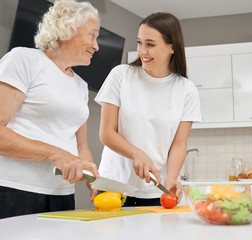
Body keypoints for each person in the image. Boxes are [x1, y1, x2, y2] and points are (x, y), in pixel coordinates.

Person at [0, 0, 100, 219]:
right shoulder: (24, 60)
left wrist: (92, 178)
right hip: (15, 190)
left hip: (62, 195)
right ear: (69, 29)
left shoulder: (81, 86)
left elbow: (81, 144)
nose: (96, 46)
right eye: (92, 35)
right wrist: (55, 153)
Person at [94, 12, 201, 206]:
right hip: (115, 185)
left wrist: (171, 178)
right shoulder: (121, 75)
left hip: (155, 190)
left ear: (172, 47)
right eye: (139, 42)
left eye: (150, 44)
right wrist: (137, 153)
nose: (142, 51)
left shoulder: (186, 90)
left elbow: (179, 143)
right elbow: (106, 133)